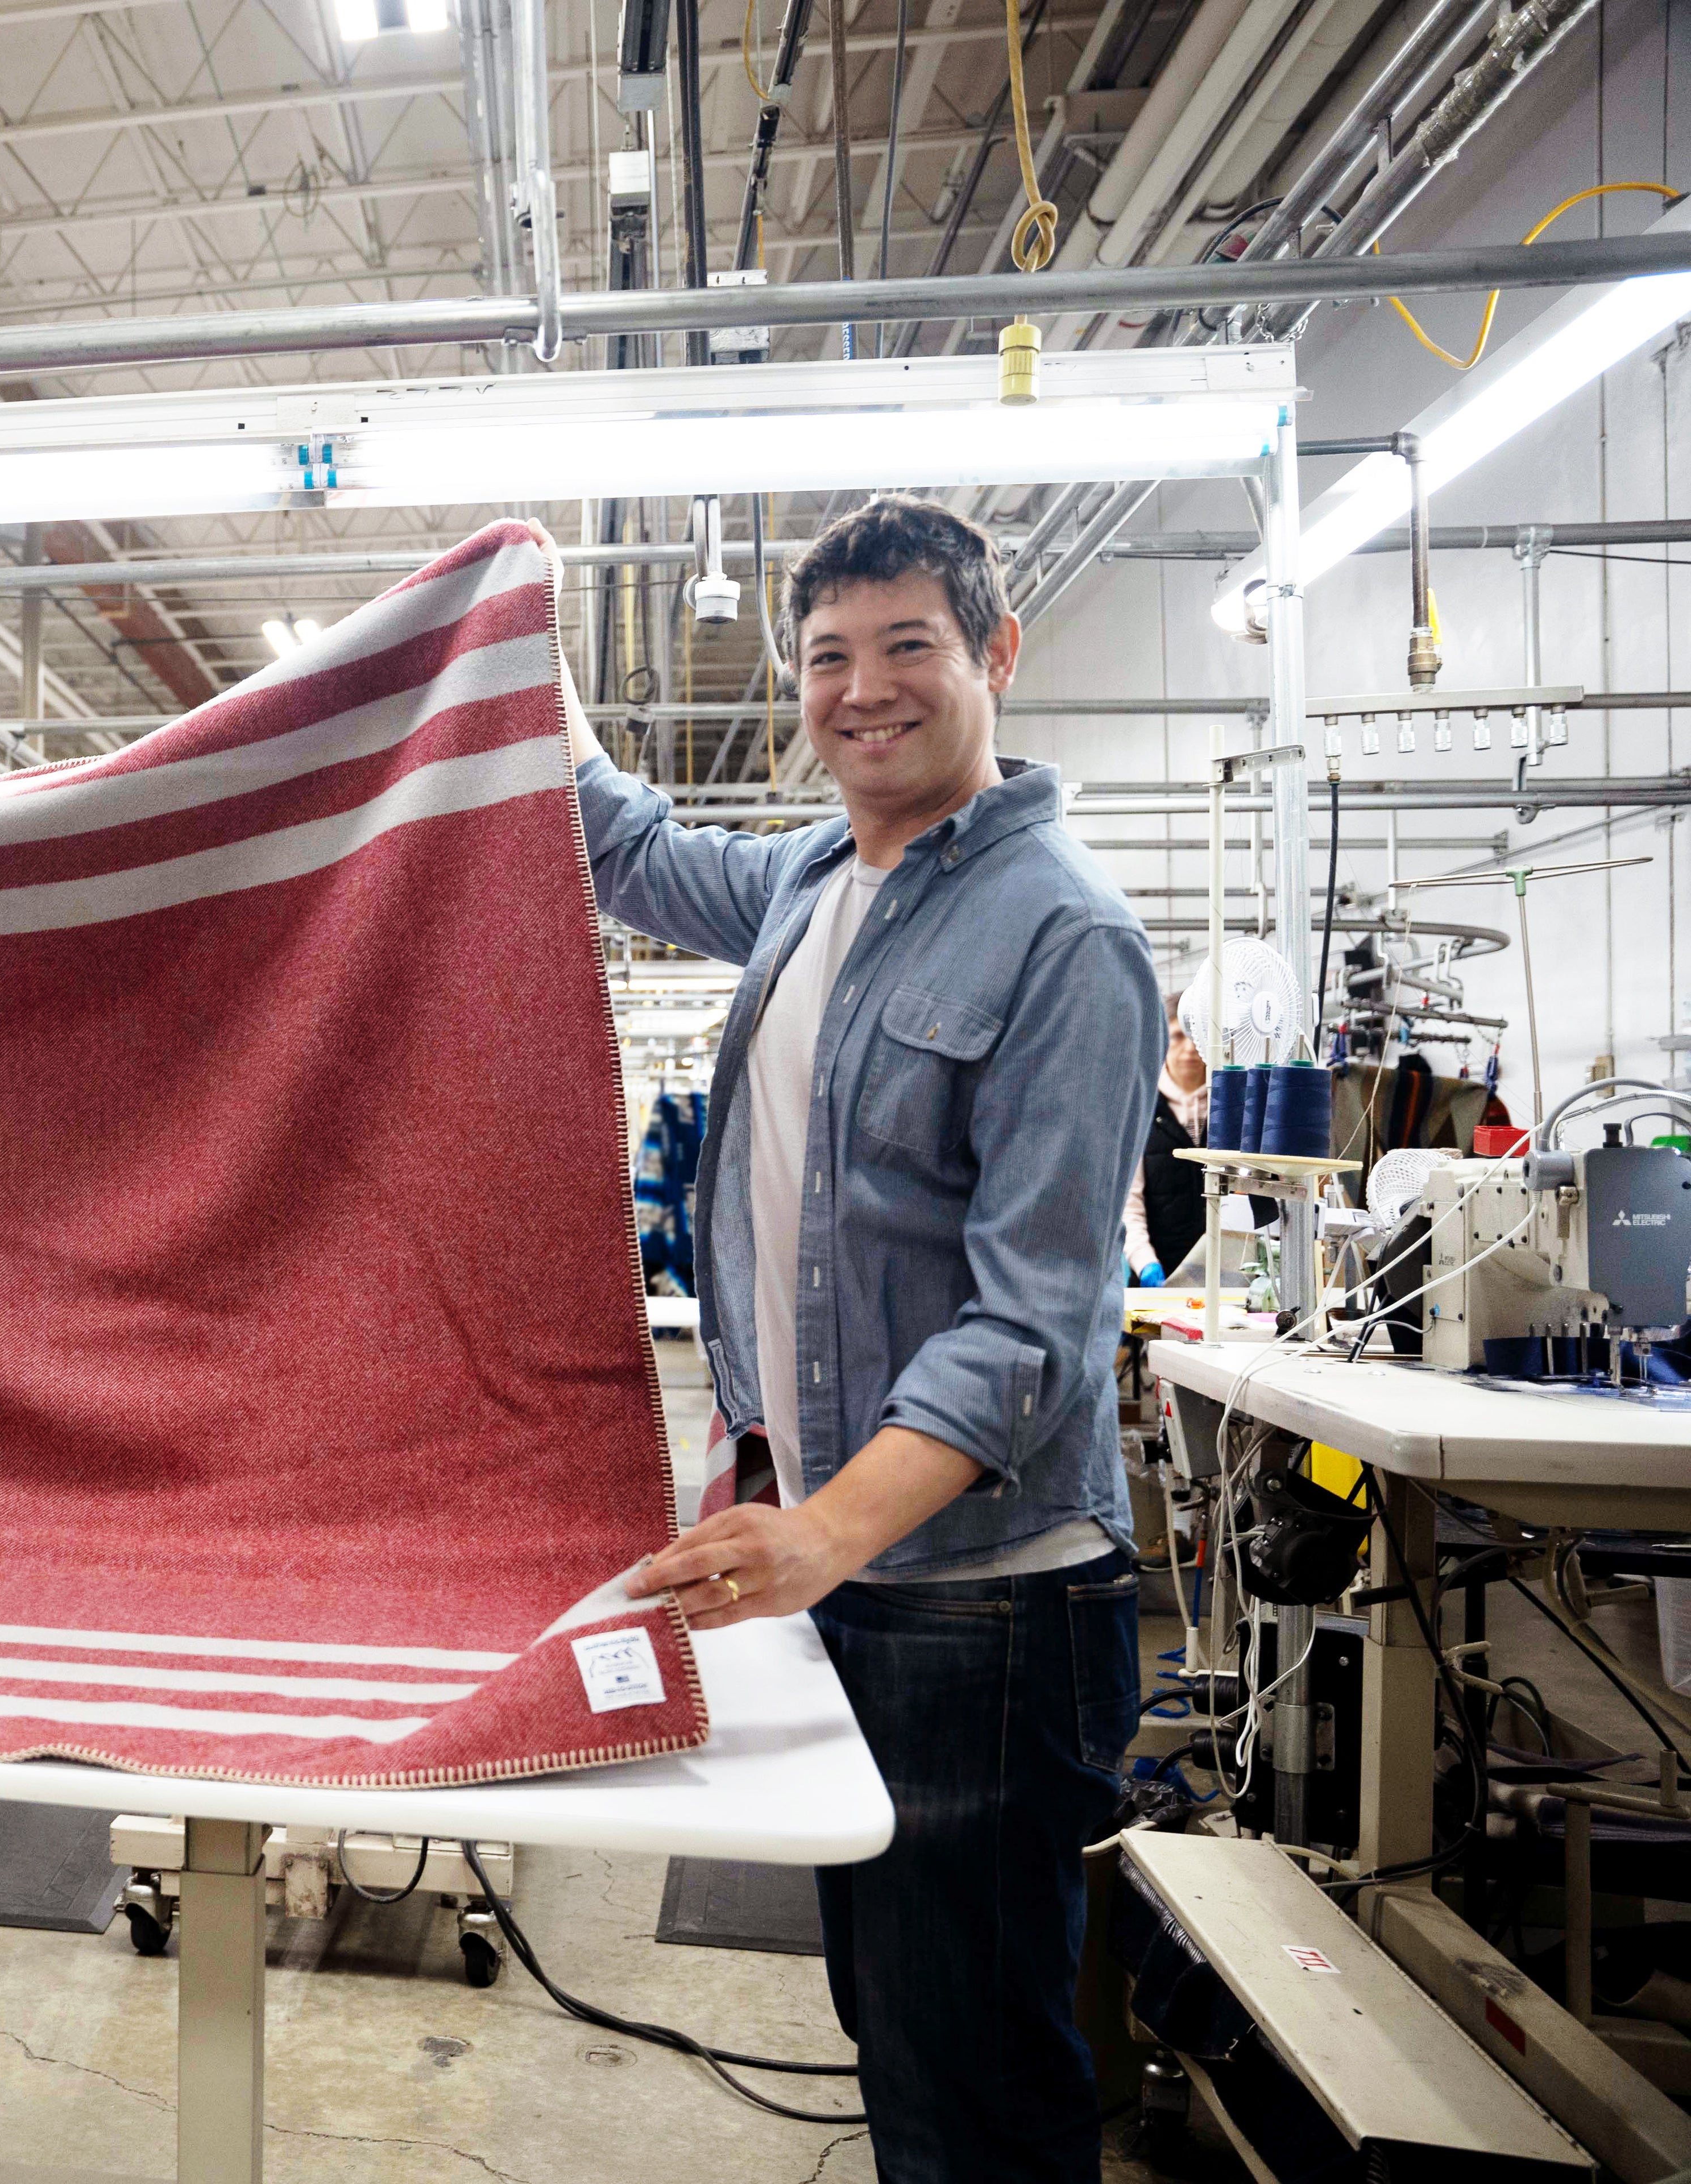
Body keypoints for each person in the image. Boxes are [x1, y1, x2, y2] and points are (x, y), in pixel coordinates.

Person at [585, 498, 1158, 2182]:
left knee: (969, 2071)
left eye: (909, 644)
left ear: (996, 653)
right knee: (896, 2021)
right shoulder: (817, 881)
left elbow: (1032, 1325)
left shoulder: (1065, 935)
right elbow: (629, 848)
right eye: (829, 655)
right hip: (860, 1580)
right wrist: (503, 662)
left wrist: (821, 1532)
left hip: (982, 1602)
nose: (863, 688)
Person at [1125, 993, 1209, 1283]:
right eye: (1177, 1037)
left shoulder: (1230, 1109)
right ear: (1162, 1040)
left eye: (1197, 1037)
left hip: (1225, 1284)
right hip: (1160, 1280)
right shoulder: (1140, 1108)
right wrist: (1145, 1263)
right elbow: (1129, 1207)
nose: (1189, 1049)